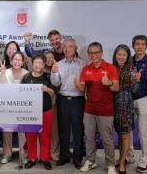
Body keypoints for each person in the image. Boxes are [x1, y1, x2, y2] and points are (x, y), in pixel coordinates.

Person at [75, 42, 119, 174]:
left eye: (96, 52)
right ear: (88, 54)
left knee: (107, 140)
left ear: (101, 53)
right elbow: (82, 88)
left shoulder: (110, 68)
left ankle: (110, 164)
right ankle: (90, 161)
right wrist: (78, 84)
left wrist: (109, 83)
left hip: (106, 111)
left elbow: (116, 87)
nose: (93, 55)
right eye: (91, 53)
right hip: (89, 110)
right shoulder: (86, 69)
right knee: (89, 137)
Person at [50, 38, 85, 169]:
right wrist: (53, 72)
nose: (67, 49)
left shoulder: (82, 64)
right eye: (65, 47)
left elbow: (85, 84)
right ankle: (64, 156)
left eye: (70, 46)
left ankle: (77, 157)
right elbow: (55, 83)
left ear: (75, 48)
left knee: (77, 130)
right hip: (63, 99)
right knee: (63, 130)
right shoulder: (58, 64)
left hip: (77, 100)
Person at [21, 54, 54, 170]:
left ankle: (45, 158)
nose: (37, 65)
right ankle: (32, 158)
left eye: (40, 63)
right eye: (36, 62)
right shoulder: (26, 77)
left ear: (44, 65)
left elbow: (53, 93)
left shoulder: (48, 76)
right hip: (30, 112)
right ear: (32, 63)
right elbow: (21, 93)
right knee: (30, 136)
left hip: (46, 111)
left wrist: (47, 89)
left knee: (45, 136)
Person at [131, 35, 147, 173]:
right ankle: (129, 157)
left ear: (146, 46)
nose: (139, 46)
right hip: (128, 100)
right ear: (133, 46)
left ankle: (145, 160)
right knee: (127, 130)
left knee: (143, 131)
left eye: (142, 44)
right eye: (137, 44)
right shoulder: (129, 61)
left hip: (144, 99)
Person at [0, 51, 29, 164]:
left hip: (22, 108)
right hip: (7, 107)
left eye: (19, 60)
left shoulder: (27, 73)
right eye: (15, 59)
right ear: (11, 61)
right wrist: (1, 74)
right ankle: (7, 153)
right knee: (7, 130)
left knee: (23, 131)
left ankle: (23, 154)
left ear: (23, 62)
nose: (17, 61)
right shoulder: (4, 71)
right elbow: (0, 87)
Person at [112, 44, 137, 174]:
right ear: (115, 55)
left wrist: (136, 80)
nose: (121, 57)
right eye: (119, 54)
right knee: (120, 135)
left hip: (125, 104)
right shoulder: (111, 68)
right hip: (112, 104)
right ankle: (121, 158)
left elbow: (134, 90)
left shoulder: (132, 69)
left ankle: (122, 163)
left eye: (124, 55)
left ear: (127, 57)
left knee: (126, 135)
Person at [43, 51, 60, 161]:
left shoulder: (58, 69)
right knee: (43, 130)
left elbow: (59, 87)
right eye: (46, 57)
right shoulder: (40, 70)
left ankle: (54, 153)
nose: (49, 59)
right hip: (42, 105)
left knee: (54, 130)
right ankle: (43, 152)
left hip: (54, 103)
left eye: (51, 57)